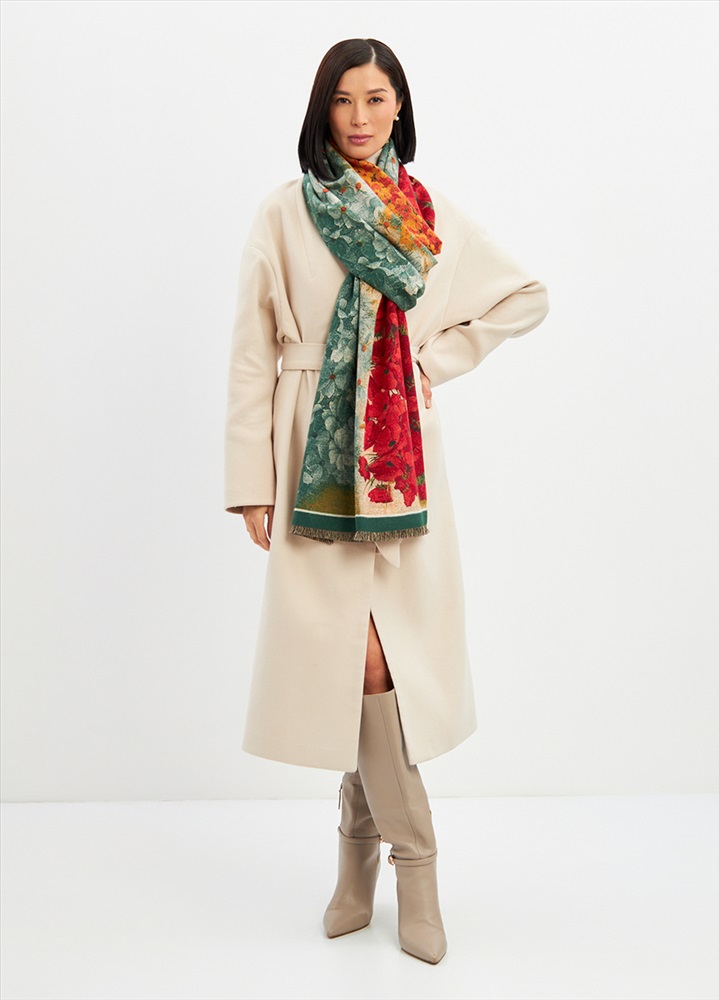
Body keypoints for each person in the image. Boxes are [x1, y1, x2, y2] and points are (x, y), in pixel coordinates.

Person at [224, 38, 549, 964]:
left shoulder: (425, 214)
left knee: (378, 663)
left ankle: (379, 862)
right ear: (321, 110)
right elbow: (250, 352)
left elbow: (525, 296)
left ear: (399, 105)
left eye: (376, 98)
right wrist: (249, 481)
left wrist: (427, 361)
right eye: (343, 100)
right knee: (355, 661)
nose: (360, 117)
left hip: (400, 461)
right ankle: (395, 863)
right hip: (311, 462)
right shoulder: (285, 211)